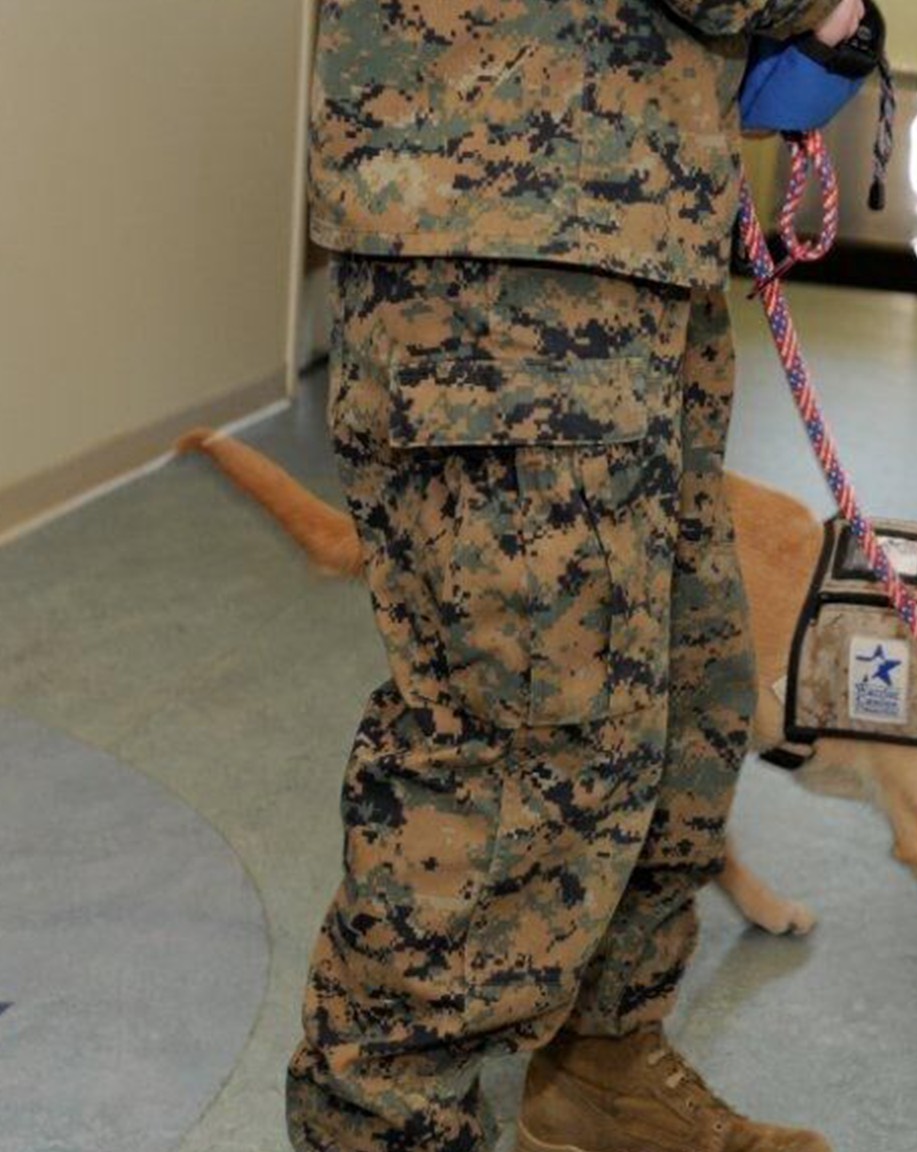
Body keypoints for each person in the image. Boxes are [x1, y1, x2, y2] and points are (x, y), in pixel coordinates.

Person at [284, 2, 866, 1150]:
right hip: (502, 242)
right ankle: (378, 1124)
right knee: (526, 746)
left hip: (628, 228)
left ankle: (600, 1066)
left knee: (685, 696)